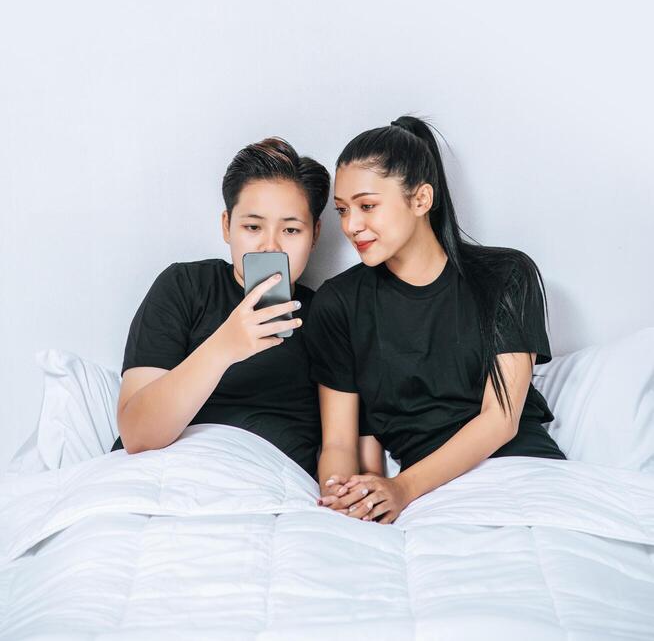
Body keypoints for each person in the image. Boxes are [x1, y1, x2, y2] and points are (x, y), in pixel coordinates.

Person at [304, 115, 566, 523]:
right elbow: (338, 441)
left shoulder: (505, 276)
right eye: (342, 210)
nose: (352, 226)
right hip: (431, 500)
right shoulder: (338, 304)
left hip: (522, 473)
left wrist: (402, 487)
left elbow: (501, 420)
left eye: (367, 205)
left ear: (421, 199)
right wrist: (344, 495)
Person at [111, 136, 330, 477]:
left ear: (314, 234)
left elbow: (342, 444)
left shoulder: (327, 315)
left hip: (267, 485)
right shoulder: (184, 287)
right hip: (165, 475)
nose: (270, 245)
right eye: (252, 226)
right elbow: (136, 435)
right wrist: (224, 347)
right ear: (227, 226)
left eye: (290, 229)